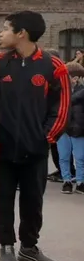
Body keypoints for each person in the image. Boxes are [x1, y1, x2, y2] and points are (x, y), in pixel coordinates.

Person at [0, 11, 69, 261]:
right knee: (4, 198)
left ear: (21, 33)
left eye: (6, 28)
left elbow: (61, 109)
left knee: (34, 200)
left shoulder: (54, 66)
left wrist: (45, 138)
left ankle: (29, 247)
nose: (1, 33)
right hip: (3, 148)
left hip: (36, 149)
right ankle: (6, 245)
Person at [57, 62, 84, 194]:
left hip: (79, 129)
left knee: (80, 157)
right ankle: (66, 181)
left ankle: (80, 182)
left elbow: (71, 100)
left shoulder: (81, 91)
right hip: (63, 128)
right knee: (64, 156)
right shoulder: (59, 90)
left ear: (76, 78)